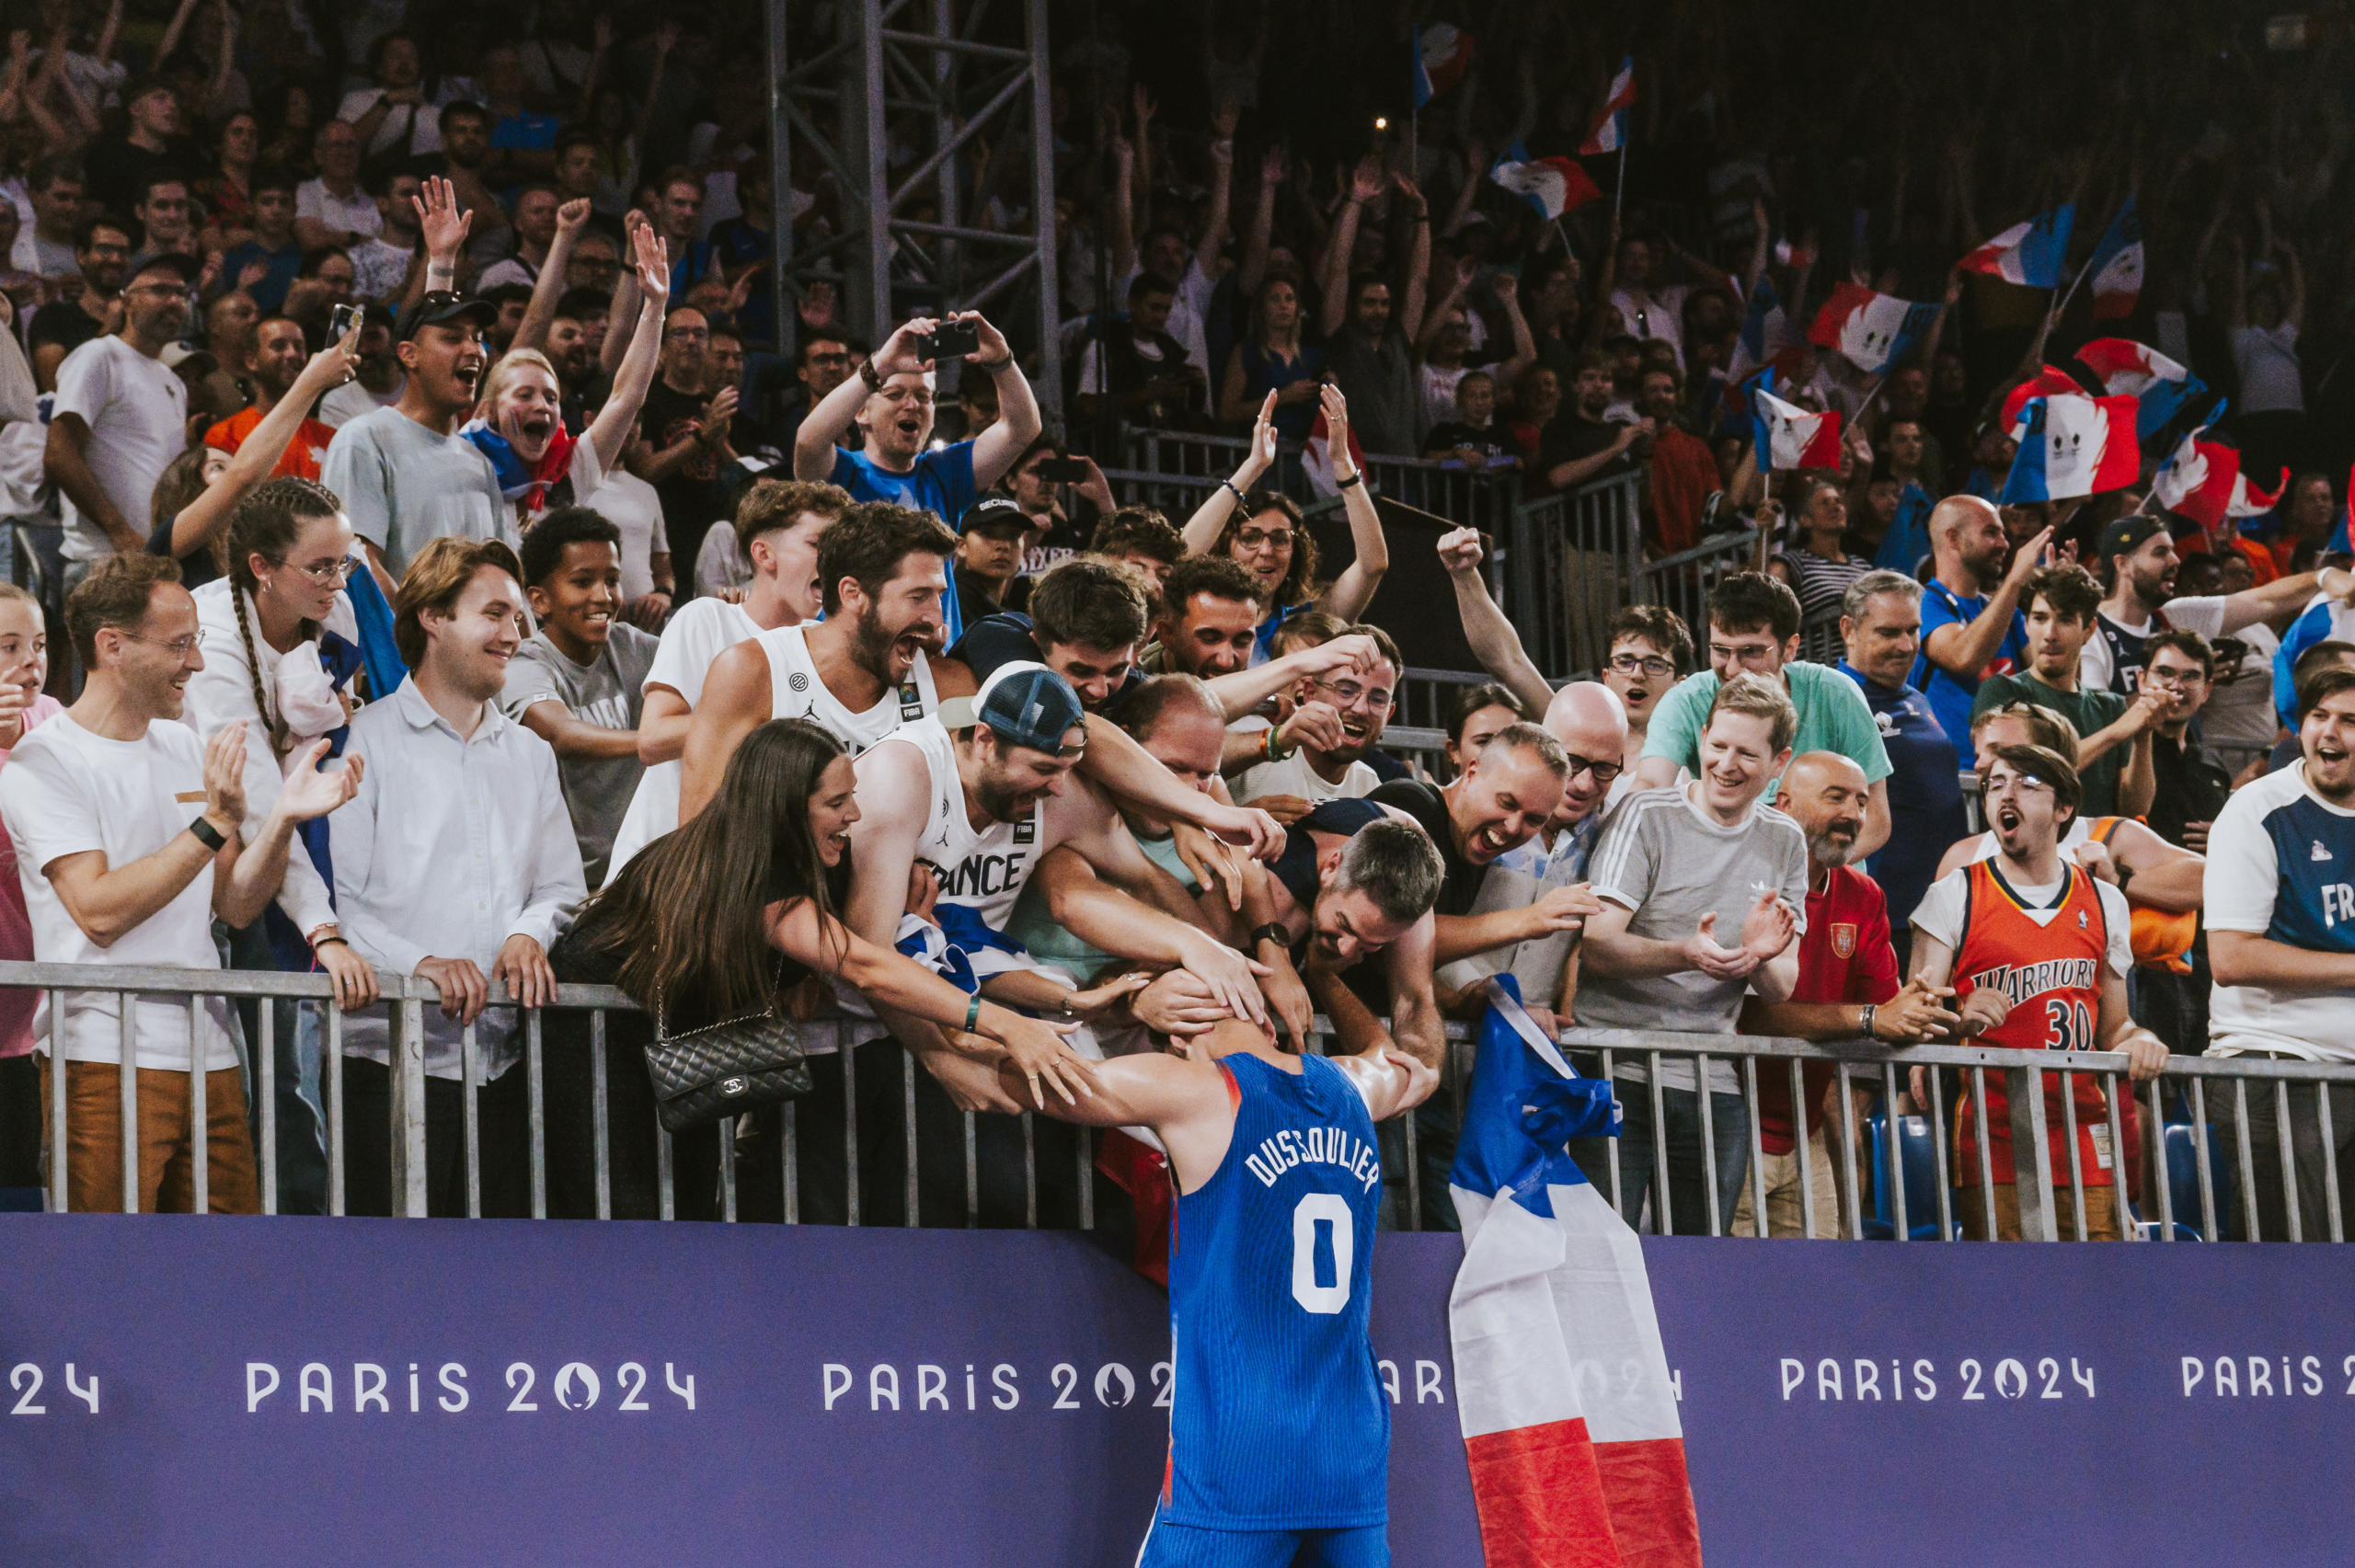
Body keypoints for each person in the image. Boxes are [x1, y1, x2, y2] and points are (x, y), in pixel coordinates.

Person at [546, 716, 1093, 1221]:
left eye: (853, 795)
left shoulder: (816, 856)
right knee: (620, 1208)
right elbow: (865, 966)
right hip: (595, 1030)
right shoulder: (747, 865)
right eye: (837, 802)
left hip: (678, 1031)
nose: (855, 814)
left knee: (688, 1204)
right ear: (786, 806)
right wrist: (1003, 1023)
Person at [0, 554, 362, 1214]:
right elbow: (98, 910)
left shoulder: (181, 745)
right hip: (99, 1056)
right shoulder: (41, 761)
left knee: (224, 1276)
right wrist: (213, 823)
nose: (196, 663)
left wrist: (281, 819)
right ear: (113, 646)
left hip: (211, 1053)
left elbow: (237, 903)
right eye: (180, 644)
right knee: (107, 1275)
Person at [843, 663, 1268, 1223]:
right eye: (1044, 768)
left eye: (1068, 768)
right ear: (985, 740)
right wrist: (936, 1053)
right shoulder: (905, 776)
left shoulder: (1056, 797)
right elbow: (868, 960)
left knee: (1018, 1198)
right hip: (872, 1022)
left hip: (979, 1014)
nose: (1059, 786)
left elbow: (1148, 879)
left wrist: (1207, 953)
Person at [1028, 1013, 1432, 1568]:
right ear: (1267, 1023)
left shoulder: (1195, 1088)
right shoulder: (1357, 1086)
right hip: (1350, 1451)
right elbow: (1419, 1068)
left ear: (1181, 1035)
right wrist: (1322, 977)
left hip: (1238, 1455)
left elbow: (1032, 1081)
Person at [330, 536, 585, 1218]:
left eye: (517, 620)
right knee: (389, 1289)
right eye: (495, 614)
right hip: (383, 1069)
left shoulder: (531, 753)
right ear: (433, 617)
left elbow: (562, 886)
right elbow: (344, 907)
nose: (515, 635)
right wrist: (425, 965)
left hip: (503, 1069)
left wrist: (531, 933)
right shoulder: (365, 741)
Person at [1908, 745, 2167, 1241]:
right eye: (1995, 784)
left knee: (2097, 1288)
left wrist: (2141, 1038)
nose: (2006, 793)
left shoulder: (2105, 899)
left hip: (2087, 1125)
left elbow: (2116, 1025)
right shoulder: (1954, 893)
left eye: (2027, 784)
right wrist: (1957, 1015)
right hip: (1994, 1128)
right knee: (2009, 1292)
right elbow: (1911, 1013)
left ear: (2064, 808)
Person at [1578, 674, 1807, 1234]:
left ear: (1778, 763)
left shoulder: (1786, 839)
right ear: (1701, 737)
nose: (1727, 764)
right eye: (1719, 746)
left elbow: (1783, 986)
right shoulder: (1646, 814)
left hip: (1713, 1080)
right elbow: (1596, 946)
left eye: (1747, 753)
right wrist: (1686, 953)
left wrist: (1758, 956)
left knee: (1702, 1262)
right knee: (1607, 1255)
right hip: (1615, 1065)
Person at [1735, 751, 1959, 1238]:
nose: (1854, 814)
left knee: (1817, 1294)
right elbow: (1748, 1016)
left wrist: (1958, 1012)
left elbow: (1888, 1015)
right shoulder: (1746, 879)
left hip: (1806, 1129)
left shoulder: (1864, 896)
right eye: (1835, 797)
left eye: (1861, 801)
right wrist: (1869, 1018)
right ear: (1785, 803)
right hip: (1731, 1125)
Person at [607, 478, 849, 876]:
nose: (834, 559)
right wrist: (765, 717)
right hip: (661, 869)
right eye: (818, 544)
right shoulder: (708, 618)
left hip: (746, 876)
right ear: (763, 553)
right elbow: (652, 739)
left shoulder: (830, 652)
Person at [2203, 664, 2355, 1242]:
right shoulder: (2258, 810)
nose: (2328, 733)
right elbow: (2233, 958)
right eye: (2319, 716)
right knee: (2297, 1264)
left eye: (2349, 720)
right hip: (2277, 1061)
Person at [679, 502, 950, 821]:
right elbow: (699, 831)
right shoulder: (750, 672)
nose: (936, 619)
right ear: (852, 594)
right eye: (918, 596)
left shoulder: (945, 684)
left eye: (939, 595)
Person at [791, 310, 1044, 645]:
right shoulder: (843, 472)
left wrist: (1001, 359)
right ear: (861, 412)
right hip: (852, 653)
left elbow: (1022, 429)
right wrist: (879, 366)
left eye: (923, 396)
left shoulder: (944, 472)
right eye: (894, 394)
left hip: (933, 657)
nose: (911, 405)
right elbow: (809, 441)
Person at [1634, 571, 1893, 856]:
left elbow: (1877, 821)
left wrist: (1801, 880)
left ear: (1790, 648)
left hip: (1827, 882)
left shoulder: (1837, 693)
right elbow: (1651, 784)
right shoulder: (1686, 701)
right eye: (1720, 650)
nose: (1732, 669)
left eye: (1751, 652)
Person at [460, 219, 670, 532]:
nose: (542, 405)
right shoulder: (458, 465)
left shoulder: (569, 472)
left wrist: (655, 305)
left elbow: (627, 396)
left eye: (551, 397)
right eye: (524, 394)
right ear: (487, 409)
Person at [1433, 683, 1621, 1032]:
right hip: (1443, 1021)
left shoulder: (1617, 835)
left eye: (1604, 769)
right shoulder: (1477, 811)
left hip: (1535, 1040)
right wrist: (1480, 996)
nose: (1582, 783)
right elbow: (1416, 927)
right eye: (1572, 761)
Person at [500, 508, 659, 889]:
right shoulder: (523, 663)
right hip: (569, 887)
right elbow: (561, 735)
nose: (603, 597)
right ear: (539, 601)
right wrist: (662, 739)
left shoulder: (635, 646)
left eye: (612, 580)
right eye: (582, 581)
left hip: (649, 870)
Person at [1181, 388, 1389, 655]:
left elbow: (1373, 565)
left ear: (1296, 552)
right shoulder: (1197, 610)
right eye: (1250, 537)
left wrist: (1342, 462)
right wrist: (1253, 466)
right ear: (1226, 546)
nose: (1266, 551)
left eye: (1280, 539)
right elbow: (1183, 554)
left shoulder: (1307, 623)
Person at [149, 326, 361, 588]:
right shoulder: (167, 542)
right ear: (186, 491)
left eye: (231, 463)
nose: (232, 471)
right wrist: (312, 381)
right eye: (218, 467)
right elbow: (243, 477)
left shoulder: (261, 553)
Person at [1835, 571, 1965, 946]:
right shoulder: (1835, 699)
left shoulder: (1918, 698)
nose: (1907, 646)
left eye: (1913, 630)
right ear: (1849, 630)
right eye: (1889, 633)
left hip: (1941, 910)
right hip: (1884, 916)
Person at [1970, 566, 2161, 820]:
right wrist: (2114, 733)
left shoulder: (2111, 706)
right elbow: (2027, 778)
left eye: (2065, 620)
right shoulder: (2003, 691)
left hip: (2096, 850)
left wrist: (2143, 734)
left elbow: (2135, 810)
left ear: (2089, 630)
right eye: (2040, 618)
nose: (2050, 634)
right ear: (2025, 625)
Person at [46, 251, 197, 574]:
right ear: (126, 301)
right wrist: (119, 531)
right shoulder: (97, 356)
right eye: (159, 290)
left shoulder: (173, 381)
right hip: (103, 562)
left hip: (155, 561)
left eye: (181, 293)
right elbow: (59, 453)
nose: (173, 301)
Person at [2083, 513, 2344, 696]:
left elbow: (2266, 600)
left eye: (2172, 550)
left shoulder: (2175, 617)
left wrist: (2323, 576)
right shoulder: (2090, 633)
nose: (2175, 561)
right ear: (2122, 564)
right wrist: (2185, 687)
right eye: (2160, 553)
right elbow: (2101, 722)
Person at [0, 584, 63, 1193]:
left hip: (25, 1013)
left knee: (18, 1184)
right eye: (9, 645)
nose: (30, 661)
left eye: (39, 645)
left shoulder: (58, 723)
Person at [1314, 161, 1432, 456]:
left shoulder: (1398, 341)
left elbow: (1419, 279)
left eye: (1384, 303)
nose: (1379, 310)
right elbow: (1338, 269)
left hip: (1404, 471)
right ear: (1352, 307)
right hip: (1355, 469)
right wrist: (1355, 201)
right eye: (1369, 303)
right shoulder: (1341, 338)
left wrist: (1422, 214)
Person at [1913, 495, 2036, 765]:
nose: (2004, 544)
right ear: (1954, 539)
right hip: (1952, 779)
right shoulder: (1923, 606)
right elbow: (1964, 657)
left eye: (2003, 534)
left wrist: (2061, 598)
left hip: (2008, 773)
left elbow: (2048, 676)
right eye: (1991, 533)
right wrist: (2014, 581)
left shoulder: (2007, 613)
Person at [1232, 623, 1402, 814]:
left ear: (1388, 714)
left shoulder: (1371, 787)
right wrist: (1236, 819)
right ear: (1310, 692)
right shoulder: (1247, 739)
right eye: (1346, 691)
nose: (1361, 709)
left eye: (1378, 699)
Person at [947, 554, 1150, 711]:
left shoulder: (1139, 690)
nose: (1100, 690)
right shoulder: (997, 637)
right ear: (1037, 643)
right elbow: (1044, 720)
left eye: (1116, 670)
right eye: (1081, 670)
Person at [202, 314, 339, 482]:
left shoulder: (330, 437)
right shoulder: (225, 434)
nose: (292, 354)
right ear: (252, 360)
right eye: (279, 346)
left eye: (299, 346)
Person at [1074, 271, 1206, 428]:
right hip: (1121, 448)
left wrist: (1199, 391)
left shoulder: (1174, 353)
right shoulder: (1106, 344)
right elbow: (1089, 406)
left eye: (1166, 309)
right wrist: (1148, 394)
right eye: (1155, 308)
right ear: (1133, 304)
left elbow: (1188, 420)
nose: (1161, 316)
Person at [2141, 630, 2233, 853]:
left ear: (2206, 690)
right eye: (2165, 672)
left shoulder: (2213, 764)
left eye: (2190, 676)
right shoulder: (2123, 752)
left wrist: (2227, 836)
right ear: (2142, 680)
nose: (2176, 685)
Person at [28, 214, 132, 391]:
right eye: (105, 249)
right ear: (81, 256)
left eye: (122, 252)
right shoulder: (54, 317)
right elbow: (57, 389)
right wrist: (107, 331)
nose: (115, 259)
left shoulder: (134, 318)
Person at [1216, 274, 1323, 440]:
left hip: (1304, 455)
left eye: (1289, 299)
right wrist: (1282, 398)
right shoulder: (1247, 351)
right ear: (1261, 308)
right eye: (1275, 299)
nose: (1283, 306)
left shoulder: (1311, 357)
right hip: (1262, 451)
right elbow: (1227, 412)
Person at [216, 166, 304, 315]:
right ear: (250, 208)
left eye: (283, 203)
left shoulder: (305, 261)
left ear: (294, 210)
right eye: (266, 202)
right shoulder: (232, 260)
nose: (276, 210)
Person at [948, 494, 1031, 623]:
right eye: (987, 534)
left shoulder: (1004, 609)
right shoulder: (952, 603)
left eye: (1013, 535)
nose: (1003, 545)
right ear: (962, 546)